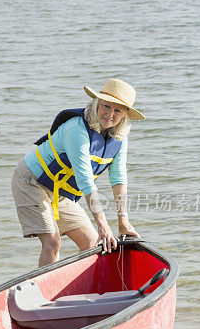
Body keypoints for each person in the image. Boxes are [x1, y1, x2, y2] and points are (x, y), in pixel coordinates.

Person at [11, 78, 144, 266]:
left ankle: (76, 289)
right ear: (97, 103)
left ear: (125, 115)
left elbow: (118, 178)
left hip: (59, 193)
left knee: (91, 243)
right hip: (31, 182)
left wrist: (123, 222)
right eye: (106, 106)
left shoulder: (119, 138)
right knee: (52, 242)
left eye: (117, 110)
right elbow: (85, 180)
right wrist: (103, 225)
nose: (110, 114)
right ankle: (44, 294)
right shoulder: (77, 129)